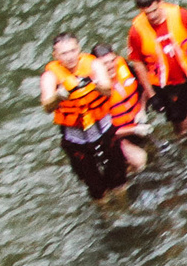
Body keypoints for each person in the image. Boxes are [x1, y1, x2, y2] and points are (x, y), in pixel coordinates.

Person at [38, 34, 129, 199]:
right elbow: (46, 106)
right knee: (95, 187)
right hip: (76, 136)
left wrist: (94, 85)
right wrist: (58, 96)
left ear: (79, 49)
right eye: (64, 53)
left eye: (73, 51)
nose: (70, 56)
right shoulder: (50, 76)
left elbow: (108, 90)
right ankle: (106, 213)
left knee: (119, 177)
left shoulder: (93, 65)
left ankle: (124, 206)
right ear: (56, 56)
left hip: (102, 126)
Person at [127, 0, 187, 134]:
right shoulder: (136, 31)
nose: (152, 16)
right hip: (166, 85)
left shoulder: (180, 15)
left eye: (154, 10)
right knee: (181, 127)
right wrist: (152, 96)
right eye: (147, 13)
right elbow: (138, 64)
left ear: (160, 1)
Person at [93, 42, 152, 172]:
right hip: (115, 136)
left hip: (136, 123)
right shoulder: (94, 92)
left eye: (112, 61)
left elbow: (143, 88)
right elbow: (102, 131)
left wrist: (142, 110)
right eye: (105, 64)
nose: (110, 66)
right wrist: (134, 131)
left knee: (151, 152)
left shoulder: (125, 68)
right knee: (140, 159)